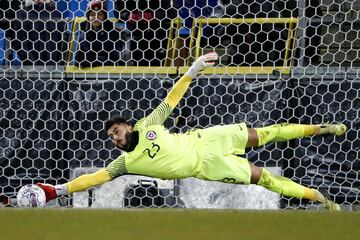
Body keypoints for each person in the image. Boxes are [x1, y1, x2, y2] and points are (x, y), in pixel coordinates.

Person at [37, 52, 346, 210]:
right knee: (264, 178)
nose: (114, 137)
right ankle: (322, 198)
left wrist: (194, 68)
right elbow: (93, 179)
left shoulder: (148, 124)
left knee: (266, 132)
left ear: (128, 126)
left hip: (206, 138)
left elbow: (172, 98)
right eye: (110, 137)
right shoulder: (123, 164)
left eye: (116, 130)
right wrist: (58, 190)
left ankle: (321, 128)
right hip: (207, 166)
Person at [75, 0, 129, 67]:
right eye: (92, 14)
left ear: (105, 17)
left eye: (100, 14)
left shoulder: (114, 34)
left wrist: (92, 59)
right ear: (88, 17)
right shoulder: (83, 35)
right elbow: (78, 60)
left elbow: (117, 60)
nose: (96, 18)